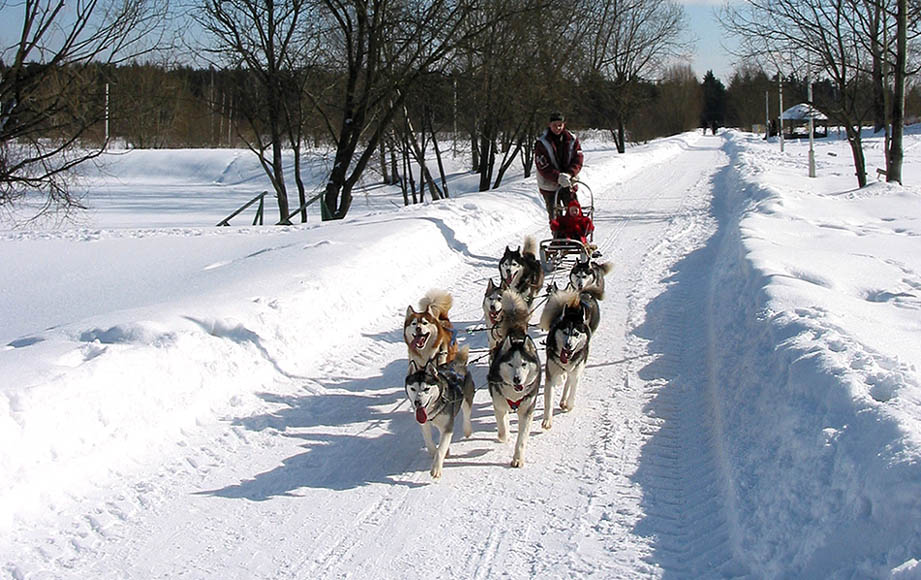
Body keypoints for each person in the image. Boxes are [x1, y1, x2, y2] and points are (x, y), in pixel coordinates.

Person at [534, 111, 583, 221]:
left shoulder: (572, 139)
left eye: (560, 125)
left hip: (569, 182)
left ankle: (578, 236)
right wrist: (558, 177)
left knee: (575, 213)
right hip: (549, 185)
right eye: (554, 125)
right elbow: (542, 166)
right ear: (549, 125)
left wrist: (570, 173)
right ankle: (558, 237)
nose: (558, 128)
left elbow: (578, 159)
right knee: (556, 217)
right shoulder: (542, 143)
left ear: (564, 124)